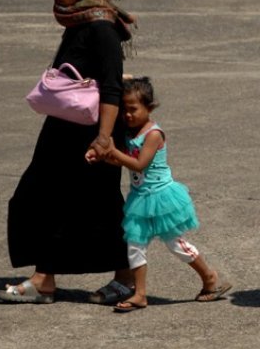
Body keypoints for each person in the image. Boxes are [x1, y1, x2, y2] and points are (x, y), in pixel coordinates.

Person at [0, 0, 137, 304]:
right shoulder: (78, 21)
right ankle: (44, 278)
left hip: (93, 132)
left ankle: (125, 278)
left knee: (100, 204)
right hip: (63, 129)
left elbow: (111, 86)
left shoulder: (102, 27)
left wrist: (105, 139)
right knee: (37, 194)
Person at [96, 76, 231, 312]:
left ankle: (210, 277)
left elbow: (139, 164)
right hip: (140, 199)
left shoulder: (153, 134)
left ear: (149, 107)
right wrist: (106, 157)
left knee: (176, 244)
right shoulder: (130, 132)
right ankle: (140, 294)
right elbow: (126, 163)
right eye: (124, 110)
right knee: (134, 245)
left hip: (161, 198)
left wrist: (114, 152)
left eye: (133, 109)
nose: (128, 115)